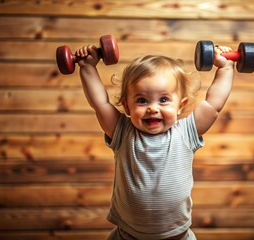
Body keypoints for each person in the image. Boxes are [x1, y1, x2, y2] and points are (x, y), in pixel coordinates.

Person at [75, 44, 235, 240]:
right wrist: (87, 67)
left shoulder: (186, 132)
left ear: (180, 106)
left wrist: (226, 68)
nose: (152, 108)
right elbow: (100, 103)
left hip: (176, 236)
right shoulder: (123, 132)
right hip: (128, 236)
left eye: (164, 100)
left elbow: (213, 104)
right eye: (142, 101)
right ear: (127, 105)